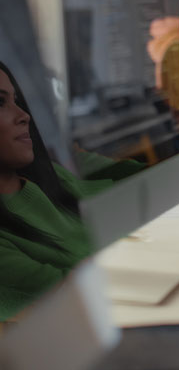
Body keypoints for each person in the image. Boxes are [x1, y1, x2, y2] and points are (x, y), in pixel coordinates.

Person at [0, 61, 144, 321]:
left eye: (17, 100)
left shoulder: (47, 177)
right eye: (0, 103)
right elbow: (80, 302)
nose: (24, 115)